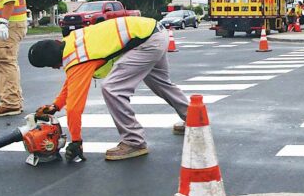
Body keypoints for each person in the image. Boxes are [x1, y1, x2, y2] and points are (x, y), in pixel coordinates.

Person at [28, 16, 189, 162]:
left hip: (147, 42)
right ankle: (193, 117)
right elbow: (71, 83)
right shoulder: (72, 42)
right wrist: (56, 106)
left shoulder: (78, 60)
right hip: (154, 31)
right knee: (160, 83)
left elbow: (75, 106)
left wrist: (76, 141)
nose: (56, 69)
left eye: (51, 66)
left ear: (53, 63)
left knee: (112, 88)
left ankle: (134, 142)